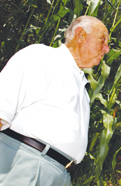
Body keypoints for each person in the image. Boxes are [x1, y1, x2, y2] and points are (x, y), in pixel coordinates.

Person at [0, 15, 110, 186]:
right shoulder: (41, 56)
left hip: (61, 176)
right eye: (102, 41)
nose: (107, 49)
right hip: (27, 166)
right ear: (80, 35)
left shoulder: (83, 88)